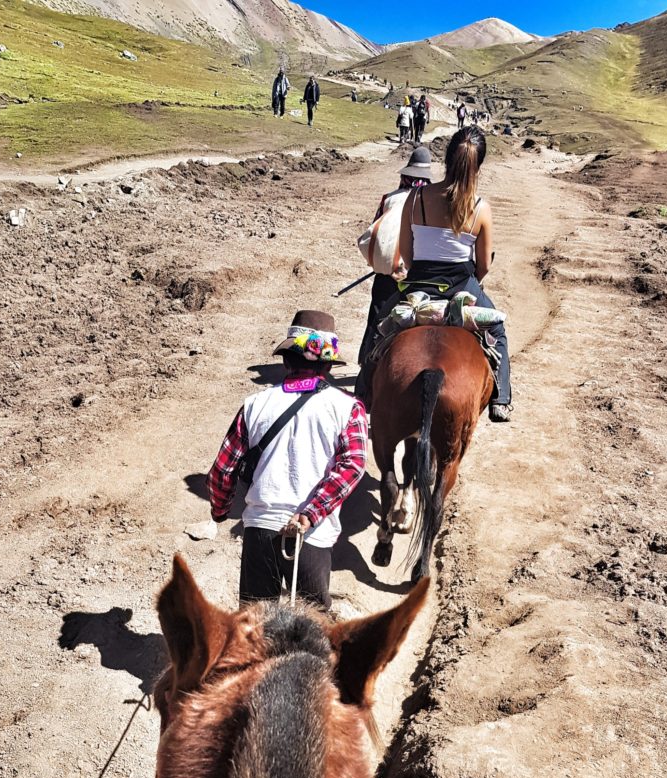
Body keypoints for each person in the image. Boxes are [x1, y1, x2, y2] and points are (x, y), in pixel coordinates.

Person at [208, 311, 367, 611]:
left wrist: (220, 511)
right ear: (329, 365)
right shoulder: (348, 408)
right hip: (311, 536)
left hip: (259, 532)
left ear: (285, 360)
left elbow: (222, 470)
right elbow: (353, 466)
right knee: (311, 638)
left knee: (253, 633)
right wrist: (311, 513)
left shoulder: (254, 405)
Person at [393, 126, 512, 421]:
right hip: (462, 285)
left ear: (445, 160)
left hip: (418, 284)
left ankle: (366, 390)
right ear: (479, 167)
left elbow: (407, 255)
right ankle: (502, 397)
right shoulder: (481, 208)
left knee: (381, 328)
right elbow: (483, 265)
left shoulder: (416, 198)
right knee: (498, 332)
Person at [355, 146, 434, 408]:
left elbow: (378, 233)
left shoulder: (388, 198)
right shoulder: (429, 201)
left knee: (376, 321)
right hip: (416, 274)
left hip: (385, 274)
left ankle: (364, 384)